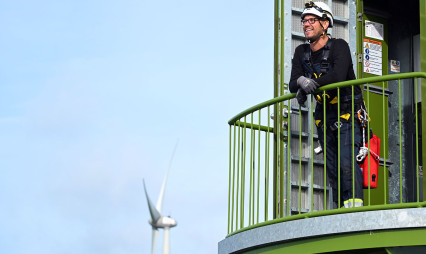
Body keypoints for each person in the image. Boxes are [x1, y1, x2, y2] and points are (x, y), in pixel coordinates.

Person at [289, 1, 364, 208]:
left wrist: (307, 86)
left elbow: (338, 76)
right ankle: (340, 210)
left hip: (347, 112)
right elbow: (291, 83)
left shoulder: (340, 46)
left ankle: (355, 209)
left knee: (347, 162)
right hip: (325, 117)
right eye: (304, 20)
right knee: (333, 168)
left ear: (325, 23)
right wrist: (301, 83)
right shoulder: (301, 52)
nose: (305, 24)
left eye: (311, 20)